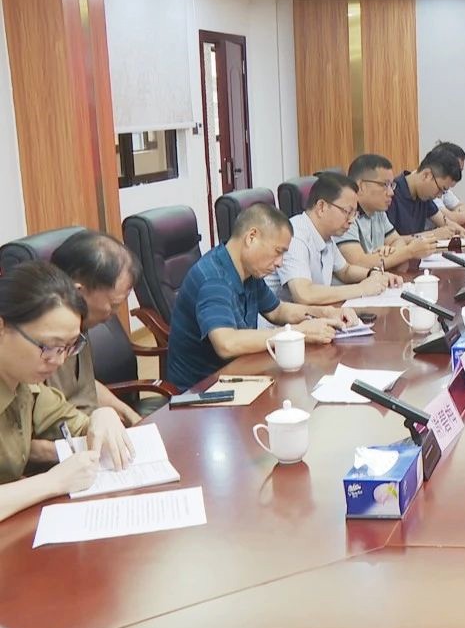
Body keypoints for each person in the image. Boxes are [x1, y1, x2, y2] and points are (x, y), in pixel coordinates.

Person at [165, 203, 359, 392]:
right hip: (203, 392)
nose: (280, 263)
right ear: (251, 238)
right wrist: (297, 332)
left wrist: (325, 312)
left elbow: (278, 311)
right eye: (278, 252)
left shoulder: (248, 270)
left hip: (240, 374)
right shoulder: (214, 279)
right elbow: (227, 343)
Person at [0, 262, 134, 522]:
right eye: (49, 347)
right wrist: (52, 482)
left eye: (68, 347)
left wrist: (102, 416)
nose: (59, 361)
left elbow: (76, 425)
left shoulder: (25, 386)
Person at [47, 231, 147, 425]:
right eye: (114, 304)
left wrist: (133, 417)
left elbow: (84, 387)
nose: (115, 314)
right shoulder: (41, 345)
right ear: (78, 292)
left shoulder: (80, 326)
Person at [265, 172, 404, 304]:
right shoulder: (295, 236)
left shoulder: (325, 235)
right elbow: (304, 294)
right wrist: (361, 289)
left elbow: (345, 271)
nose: (352, 220)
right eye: (347, 212)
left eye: (354, 214)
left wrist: (374, 274)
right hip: (281, 320)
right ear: (321, 207)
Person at [338, 154, 444, 271]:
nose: (391, 192)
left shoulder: (378, 211)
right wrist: (409, 252)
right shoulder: (344, 214)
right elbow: (359, 263)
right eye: (385, 185)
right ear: (361, 186)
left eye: (391, 185)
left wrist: (389, 253)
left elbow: (397, 241)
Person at [386, 149, 465, 239]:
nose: (439, 196)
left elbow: (445, 222)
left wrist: (464, 232)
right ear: (426, 175)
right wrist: (432, 235)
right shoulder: (390, 194)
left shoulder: (423, 196)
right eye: (440, 189)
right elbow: (389, 241)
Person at [430, 141, 465, 226]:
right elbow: (448, 219)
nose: (457, 175)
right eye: (457, 170)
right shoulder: (431, 189)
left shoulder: (443, 188)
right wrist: (464, 215)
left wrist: (459, 215)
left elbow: (462, 206)